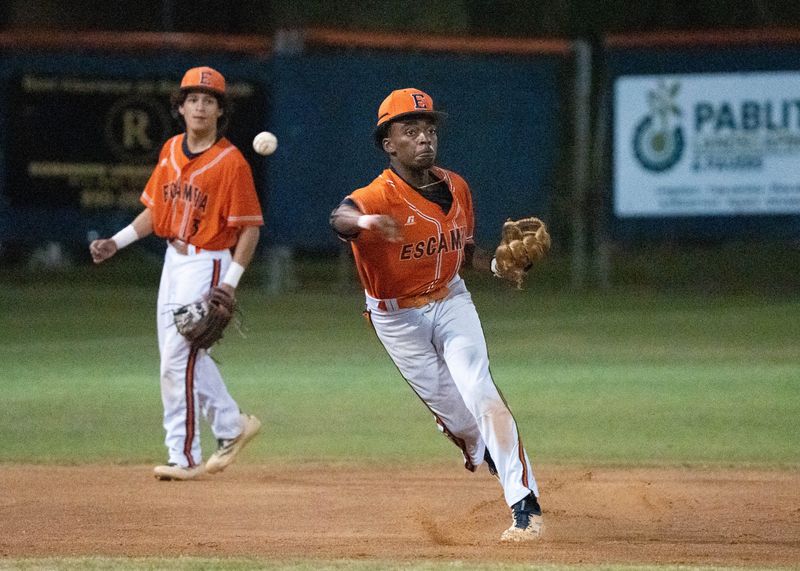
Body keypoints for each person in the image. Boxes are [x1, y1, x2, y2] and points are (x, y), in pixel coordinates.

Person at [329, 88, 543, 541]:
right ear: (389, 144)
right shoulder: (376, 196)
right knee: (463, 421)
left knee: (481, 391)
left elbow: (460, 254)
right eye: (411, 131)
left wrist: (495, 264)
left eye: (429, 129)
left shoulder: (458, 187)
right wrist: (366, 224)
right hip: (396, 320)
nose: (425, 136)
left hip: (450, 300)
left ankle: (525, 504)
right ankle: (482, 448)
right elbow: (340, 218)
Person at [90, 66, 263, 481]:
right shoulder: (169, 150)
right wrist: (117, 241)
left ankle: (183, 456)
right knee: (184, 355)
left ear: (220, 111)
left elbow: (250, 228)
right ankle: (231, 425)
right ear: (180, 107)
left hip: (209, 260)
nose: (200, 107)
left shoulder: (231, 162)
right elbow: (157, 211)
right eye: (193, 99)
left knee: (175, 360)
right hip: (174, 260)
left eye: (209, 100)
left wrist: (229, 282)